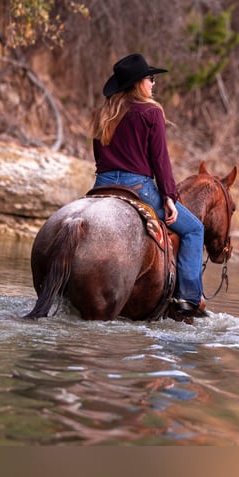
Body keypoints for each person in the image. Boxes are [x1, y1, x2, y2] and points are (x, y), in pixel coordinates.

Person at [91, 53, 206, 316]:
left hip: (102, 184)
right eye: (150, 78)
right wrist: (168, 196)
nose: (153, 84)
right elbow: (160, 160)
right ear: (137, 84)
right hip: (139, 188)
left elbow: (100, 159)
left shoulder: (103, 113)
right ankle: (187, 299)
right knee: (194, 230)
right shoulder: (151, 112)